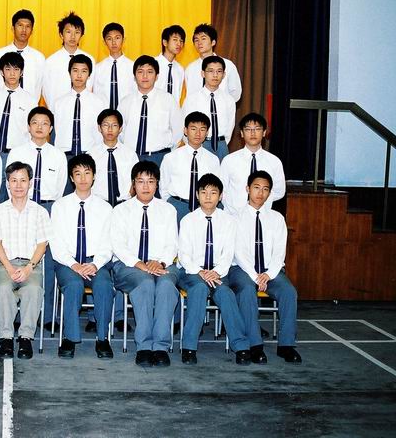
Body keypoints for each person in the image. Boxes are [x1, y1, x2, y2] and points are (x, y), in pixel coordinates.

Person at [110, 161, 180, 367]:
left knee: (167, 285)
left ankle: (160, 347)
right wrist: (140, 264)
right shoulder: (121, 210)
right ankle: (144, 347)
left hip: (162, 264)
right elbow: (118, 245)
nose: (146, 186)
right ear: (133, 184)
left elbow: (172, 244)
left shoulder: (168, 210)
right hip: (128, 266)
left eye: (151, 181)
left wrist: (161, 262)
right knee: (145, 283)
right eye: (141, 181)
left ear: (157, 184)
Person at [177, 173, 251, 365]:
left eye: (213, 192)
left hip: (218, 272)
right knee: (199, 288)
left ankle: (241, 346)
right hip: (192, 272)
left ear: (221, 196)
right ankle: (189, 347)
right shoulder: (188, 220)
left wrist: (216, 272)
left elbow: (228, 253)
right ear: (197, 195)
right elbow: (184, 254)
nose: (208, 197)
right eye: (204, 192)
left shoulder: (229, 221)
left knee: (225, 293)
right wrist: (201, 272)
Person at [229, 170, 301, 364]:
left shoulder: (277, 218)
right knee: (246, 291)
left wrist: (268, 275)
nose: (260, 193)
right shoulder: (235, 218)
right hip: (242, 270)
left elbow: (279, 253)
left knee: (289, 292)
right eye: (256, 188)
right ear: (247, 189)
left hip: (271, 271)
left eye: (265, 189)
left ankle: (286, 346)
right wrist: (255, 276)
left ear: (270, 193)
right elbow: (239, 252)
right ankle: (255, 345)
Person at [6, 107, 67, 326]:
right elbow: (11, 184)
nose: (39, 127)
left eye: (44, 123)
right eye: (35, 122)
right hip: (22, 208)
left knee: (47, 263)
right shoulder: (17, 153)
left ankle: (47, 316)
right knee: (17, 258)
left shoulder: (58, 155)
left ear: (51, 128)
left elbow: (60, 189)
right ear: (28, 126)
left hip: (48, 209)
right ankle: (15, 315)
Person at [50, 154, 114, 359]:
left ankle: (102, 338)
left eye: (87, 173)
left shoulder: (105, 208)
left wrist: (95, 264)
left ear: (94, 176)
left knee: (104, 285)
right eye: (78, 174)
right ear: (71, 178)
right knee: (74, 285)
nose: (83, 178)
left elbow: (108, 243)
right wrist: (73, 264)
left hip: (96, 263)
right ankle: (69, 338)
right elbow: (56, 242)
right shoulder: (60, 206)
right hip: (68, 263)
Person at [0, 162, 51, 359]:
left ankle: (26, 337)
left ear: (30, 183)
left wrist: (28, 268)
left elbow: (42, 245)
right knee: (3, 289)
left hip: (31, 265)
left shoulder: (40, 212)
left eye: (23, 180)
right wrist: (9, 268)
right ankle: (6, 338)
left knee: (34, 289)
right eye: (13, 180)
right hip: (4, 264)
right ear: (7, 183)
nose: (18, 185)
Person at [0, 51, 38, 189]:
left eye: (16, 69)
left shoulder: (30, 101)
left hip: (17, 154)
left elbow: (31, 132)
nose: (12, 74)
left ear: (22, 72)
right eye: (8, 69)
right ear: (1, 72)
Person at [118, 55, 183, 166]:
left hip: (160, 157)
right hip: (131, 157)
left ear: (156, 76)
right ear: (134, 76)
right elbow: (120, 133)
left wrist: (166, 153)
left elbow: (178, 131)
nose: (145, 76)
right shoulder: (125, 102)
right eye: (140, 72)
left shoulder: (168, 100)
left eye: (150, 72)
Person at [159, 111, 221, 226]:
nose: (198, 133)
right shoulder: (171, 157)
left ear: (207, 132)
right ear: (185, 131)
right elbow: (163, 187)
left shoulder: (213, 160)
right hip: (177, 206)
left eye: (202, 129)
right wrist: (170, 205)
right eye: (193, 129)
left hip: (202, 208)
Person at [220, 112, 286, 218]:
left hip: (262, 216)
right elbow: (222, 190)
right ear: (242, 133)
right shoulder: (229, 160)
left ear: (264, 132)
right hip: (234, 217)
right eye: (248, 129)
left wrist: (260, 204)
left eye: (257, 129)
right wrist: (233, 208)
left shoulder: (274, 162)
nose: (253, 133)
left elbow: (279, 191)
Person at [180, 55, 236, 160]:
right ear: (203, 73)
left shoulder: (229, 100)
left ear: (224, 75)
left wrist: (221, 143)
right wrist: (193, 147)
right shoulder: (192, 99)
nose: (215, 75)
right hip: (200, 145)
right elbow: (184, 125)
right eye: (210, 71)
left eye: (219, 71)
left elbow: (230, 127)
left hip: (221, 146)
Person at [52, 54, 105, 159]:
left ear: (89, 75)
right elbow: (54, 133)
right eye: (75, 71)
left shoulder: (99, 103)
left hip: (90, 155)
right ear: (69, 73)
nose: (79, 75)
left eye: (84, 71)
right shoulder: (58, 103)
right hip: (64, 156)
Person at [0, 9, 46, 101]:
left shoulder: (39, 58)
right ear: (13, 28)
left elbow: (38, 86)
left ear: (32, 30)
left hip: (30, 106)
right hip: (4, 103)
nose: (24, 30)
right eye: (20, 25)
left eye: (28, 26)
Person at [43, 12, 95, 107]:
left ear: (81, 35)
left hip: (83, 108)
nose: (73, 36)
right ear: (61, 34)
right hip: (58, 110)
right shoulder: (51, 61)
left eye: (77, 32)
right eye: (68, 32)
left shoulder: (89, 59)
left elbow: (90, 87)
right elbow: (47, 92)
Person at [88, 109, 138, 207]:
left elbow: (136, 180)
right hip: (99, 205)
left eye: (114, 125)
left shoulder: (130, 154)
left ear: (120, 128)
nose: (110, 129)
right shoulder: (91, 155)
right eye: (106, 125)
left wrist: (129, 198)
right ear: (99, 128)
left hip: (124, 204)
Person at [183, 23, 242, 102]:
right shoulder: (190, 69)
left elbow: (236, 93)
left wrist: (223, 105)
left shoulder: (228, 65)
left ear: (213, 42)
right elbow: (189, 95)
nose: (199, 42)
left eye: (203, 38)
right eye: (196, 40)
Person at [92, 22, 136, 110]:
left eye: (117, 38)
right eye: (109, 39)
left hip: (127, 113)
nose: (114, 42)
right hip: (104, 115)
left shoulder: (133, 67)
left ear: (123, 40)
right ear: (104, 42)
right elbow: (96, 95)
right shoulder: (98, 68)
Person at [155, 25, 186, 104]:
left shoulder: (180, 69)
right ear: (165, 42)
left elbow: (178, 95)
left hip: (174, 109)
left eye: (181, 41)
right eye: (175, 40)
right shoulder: (153, 64)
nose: (179, 44)